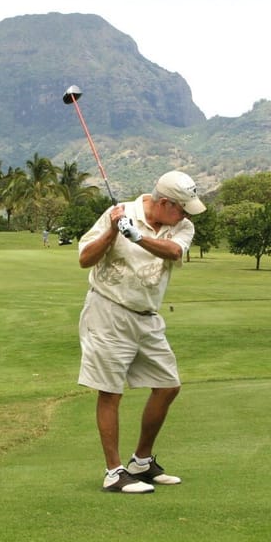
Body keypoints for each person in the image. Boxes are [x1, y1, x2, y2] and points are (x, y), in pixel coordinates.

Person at [77, 170, 206, 494]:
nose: (187, 215)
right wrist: (112, 231)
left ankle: (141, 462)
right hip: (108, 311)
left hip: (147, 316)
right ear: (165, 203)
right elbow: (85, 259)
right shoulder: (118, 213)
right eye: (182, 208)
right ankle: (114, 473)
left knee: (168, 385)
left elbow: (174, 252)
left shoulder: (183, 226)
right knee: (110, 391)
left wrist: (135, 236)